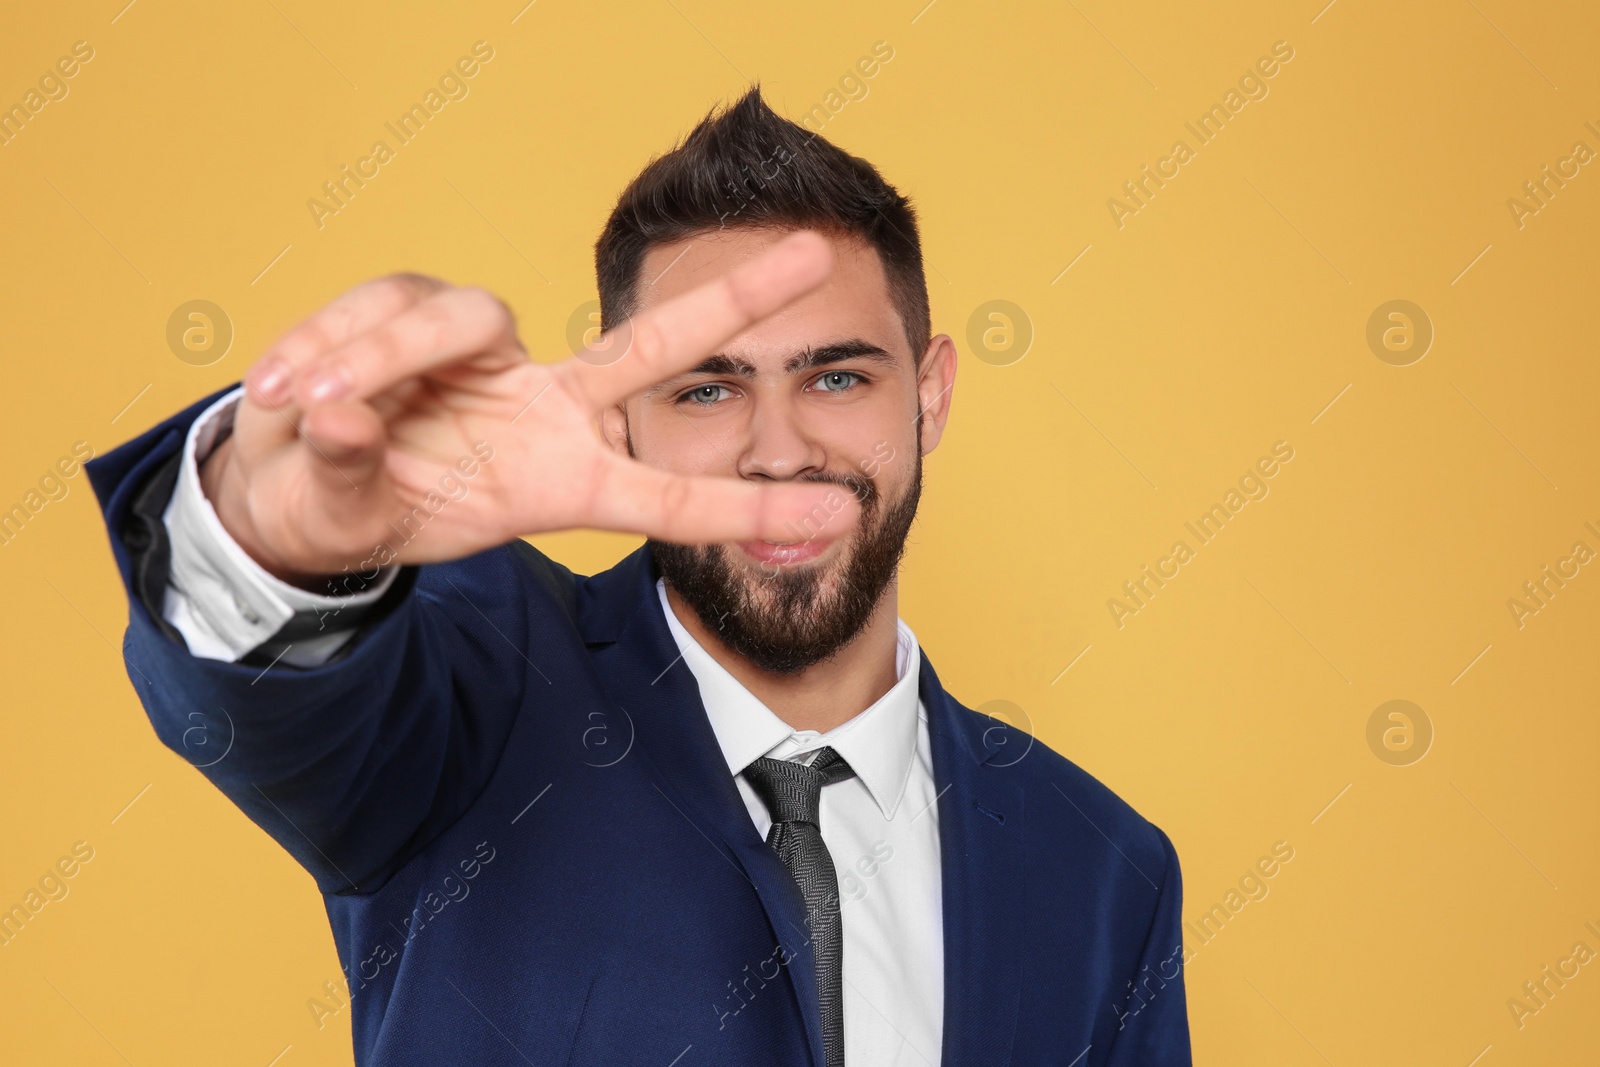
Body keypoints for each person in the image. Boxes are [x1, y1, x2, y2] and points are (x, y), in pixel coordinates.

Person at [88, 87, 1191, 1066]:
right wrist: (284, 534)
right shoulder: (482, 687)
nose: (776, 447)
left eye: (839, 375)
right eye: (704, 390)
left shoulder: (1102, 869)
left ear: (931, 393)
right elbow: (268, 701)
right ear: (620, 417)